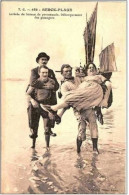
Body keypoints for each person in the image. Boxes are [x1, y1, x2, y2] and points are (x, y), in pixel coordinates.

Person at [49, 64, 101, 153]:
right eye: (66, 71)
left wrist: (98, 108)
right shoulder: (64, 85)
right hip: (78, 109)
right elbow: (67, 99)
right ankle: (78, 151)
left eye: (69, 70)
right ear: (62, 73)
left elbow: (90, 85)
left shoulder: (78, 79)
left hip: (89, 106)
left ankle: (95, 149)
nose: (68, 73)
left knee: (94, 125)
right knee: (82, 128)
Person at [26, 52, 59, 149]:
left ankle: (47, 146)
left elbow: (56, 85)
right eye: (42, 59)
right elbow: (32, 83)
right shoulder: (34, 71)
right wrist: (46, 85)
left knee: (47, 125)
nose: (44, 61)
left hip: (48, 101)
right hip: (35, 100)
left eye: (46, 59)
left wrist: (52, 86)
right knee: (33, 123)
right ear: (38, 61)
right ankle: (33, 145)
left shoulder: (51, 71)